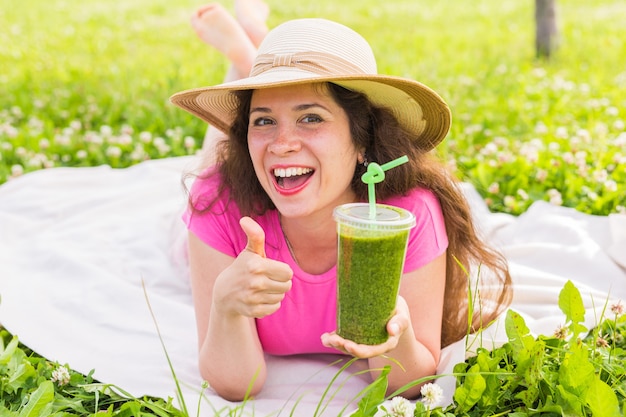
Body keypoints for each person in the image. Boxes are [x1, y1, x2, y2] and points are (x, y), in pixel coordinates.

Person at [171, 1, 513, 402]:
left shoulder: (407, 215)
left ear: (362, 138)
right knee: (213, 159)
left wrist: (397, 337)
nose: (282, 144)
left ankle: (250, 54)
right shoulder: (219, 202)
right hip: (209, 212)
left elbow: (408, 383)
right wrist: (226, 306)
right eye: (262, 120)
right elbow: (236, 385)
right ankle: (245, 58)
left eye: (311, 117)